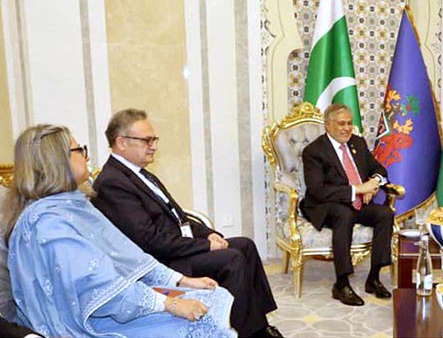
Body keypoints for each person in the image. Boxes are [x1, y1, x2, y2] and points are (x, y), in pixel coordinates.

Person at [1, 124, 236, 337]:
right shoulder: (48, 223)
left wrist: (180, 281)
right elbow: (97, 286)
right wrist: (170, 304)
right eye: (79, 150)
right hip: (87, 321)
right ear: (57, 161)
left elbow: (127, 256)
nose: (87, 156)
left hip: (112, 300)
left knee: (212, 298)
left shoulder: (71, 204)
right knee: (196, 323)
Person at [91, 109, 281, 338]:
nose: (153, 146)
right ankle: (243, 332)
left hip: (176, 247)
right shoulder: (113, 182)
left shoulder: (141, 174)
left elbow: (178, 215)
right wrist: (205, 246)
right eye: (147, 140)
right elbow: (148, 240)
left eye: (154, 139)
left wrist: (208, 234)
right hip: (162, 261)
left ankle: (257, 324)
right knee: (232, 259)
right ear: (121, 142)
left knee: (245, 245)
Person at [300, 103, 395, 306]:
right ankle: (341, 284)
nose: (346, 128)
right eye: (341, 124)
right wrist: (359, 189)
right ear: (328, 125)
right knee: (344, 214)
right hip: (324, 205)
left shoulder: (357, 143)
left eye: (349, 124)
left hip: (356, 203)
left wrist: (374, 184)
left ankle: (374, 278)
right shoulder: (314, 151)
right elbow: (317, 190)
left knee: (385, 214)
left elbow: (379, 169)